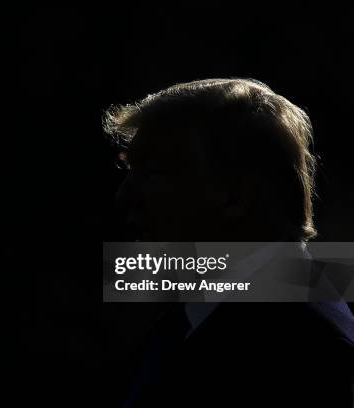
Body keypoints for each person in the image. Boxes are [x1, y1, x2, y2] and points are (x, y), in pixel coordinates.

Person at [104, 78, 354, 407]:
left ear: (235, 197)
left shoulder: (301, 344)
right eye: (129, 169)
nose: (125, 196)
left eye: (153, 171)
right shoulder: (209, 313)